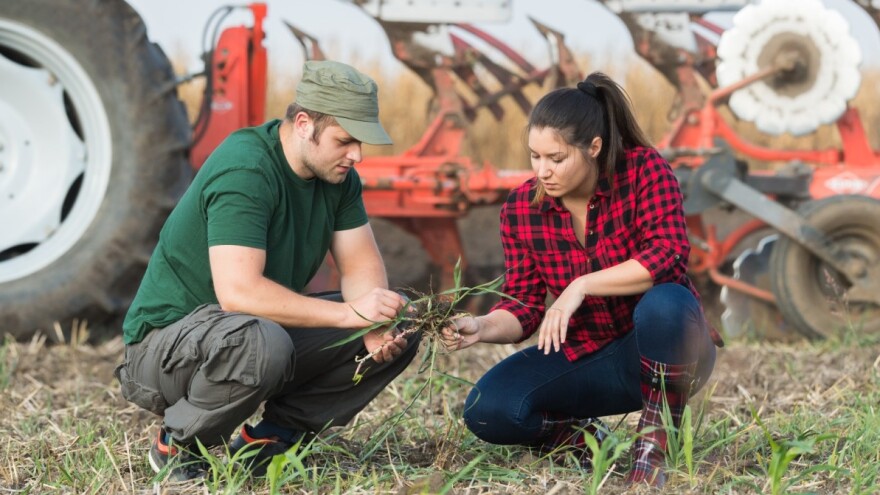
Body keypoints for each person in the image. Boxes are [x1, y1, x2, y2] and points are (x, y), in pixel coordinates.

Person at [115, 60, 420, 481]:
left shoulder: (338, 178)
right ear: (304, 124)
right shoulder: (247, 168)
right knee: (262, 343)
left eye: (361, 143)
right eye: (345, 140)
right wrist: (350, 315)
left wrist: (375, 326)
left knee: (400, 316)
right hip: (164, 350)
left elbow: (361, 266)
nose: (357, 155)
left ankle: (273, 438)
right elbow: (239, 293)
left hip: (249, 332)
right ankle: (181, 444)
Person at [441, 72, 722, 487]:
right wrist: (481, 326)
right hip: (590, 355)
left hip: (671, 348)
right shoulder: (521, 209)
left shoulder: (644, 170)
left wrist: (581, 285)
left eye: (556, 159)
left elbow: (669, 254)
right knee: (489, 408)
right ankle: (586, 439)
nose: (543, 171)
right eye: (535, 157)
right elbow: (523, 304)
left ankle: (655, 443)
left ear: (594, 147)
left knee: (667, 301)